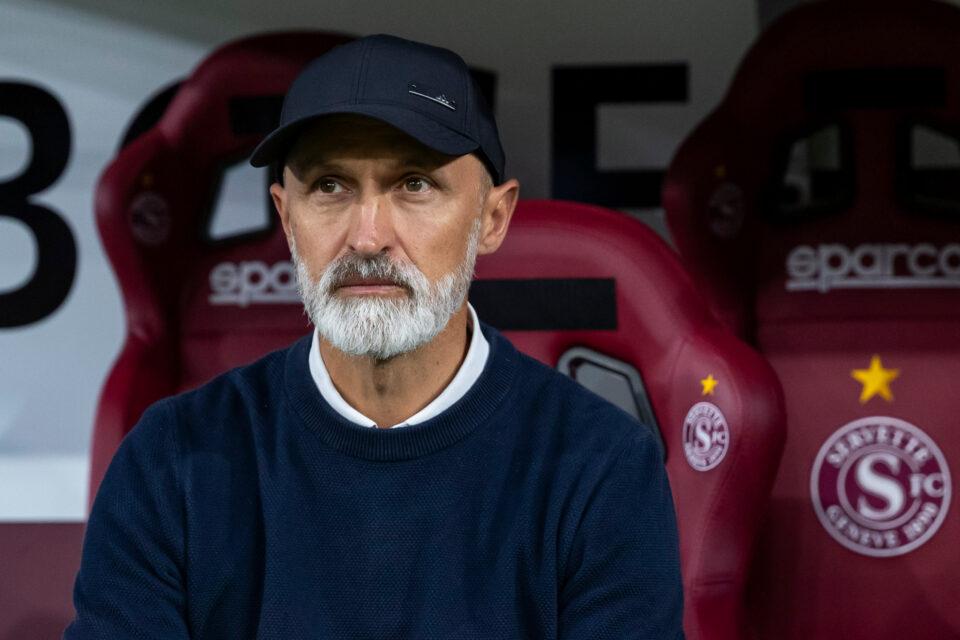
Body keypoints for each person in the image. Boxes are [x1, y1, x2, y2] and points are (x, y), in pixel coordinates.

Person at [65, 34, 684, 639]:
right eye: (329, 186)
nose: (367, 237)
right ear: (286, 217)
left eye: (415, 183)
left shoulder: (601, 468)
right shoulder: (171, 461)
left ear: (492, 219)